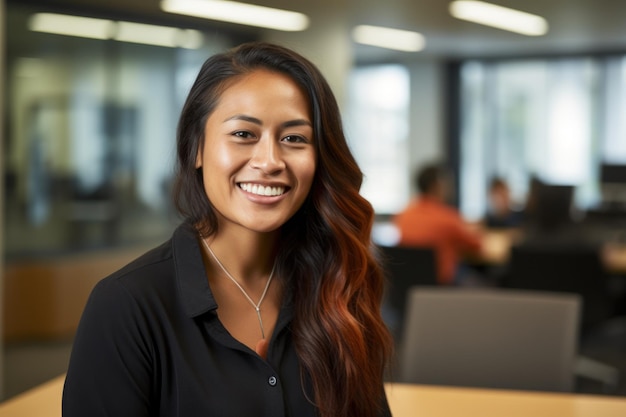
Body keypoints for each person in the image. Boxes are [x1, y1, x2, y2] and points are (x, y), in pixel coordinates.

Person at [62, 42, 393, 417]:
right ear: (196, 148)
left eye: (294, 139)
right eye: (243, 134)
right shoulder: (126, 306)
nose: (269, 161)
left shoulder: (336, 284)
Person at [393, 163, 483, 285]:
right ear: (438, 186)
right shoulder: (448, 217)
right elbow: (476, 245)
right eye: (447, 183)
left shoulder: (403, 215)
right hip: (442, 285)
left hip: (410, 287)